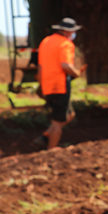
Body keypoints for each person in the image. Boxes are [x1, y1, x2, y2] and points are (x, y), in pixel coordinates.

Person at [37, 17, 85, 150]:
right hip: (59, 85)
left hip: (48, 85)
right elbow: (66, 66)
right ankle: (51, 150)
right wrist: (77, 73)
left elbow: (40, 67)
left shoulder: (45, 42)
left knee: (69, 115)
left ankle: (45, 136)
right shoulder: (66, 44)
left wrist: (41, 85)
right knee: (58, 122)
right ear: (67, 32)